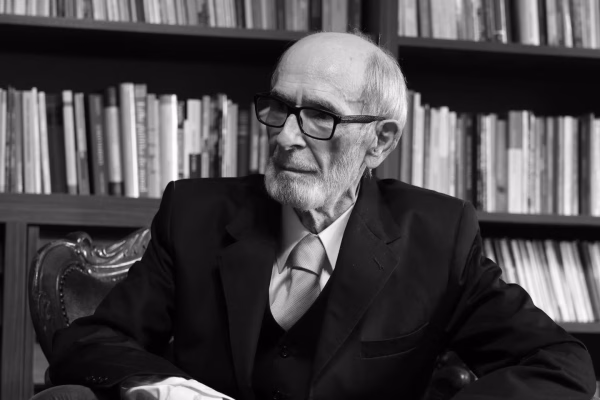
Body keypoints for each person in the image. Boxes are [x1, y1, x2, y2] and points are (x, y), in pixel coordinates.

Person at [36, 31, 595, 400]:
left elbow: (560, 362)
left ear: (380, 141)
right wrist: (168, 388)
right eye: (279, 107)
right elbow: (87, 343)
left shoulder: (438, 236)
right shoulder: (195, 215)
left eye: (320, 116)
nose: (285, 136)